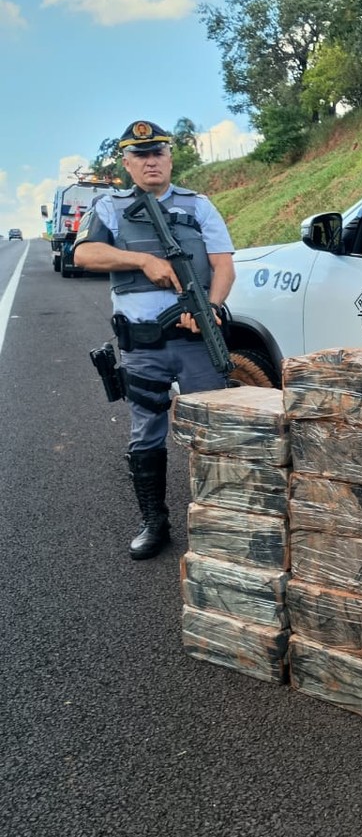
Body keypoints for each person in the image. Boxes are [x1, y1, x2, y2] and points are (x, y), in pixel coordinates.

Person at [74, 120, 235, 561]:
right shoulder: (109, 208)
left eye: (158, 153)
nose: (151, 161)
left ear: (170, 158)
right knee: (146, 432)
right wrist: (141, 260)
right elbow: (83, 253)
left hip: (195, 340)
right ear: (127, 163)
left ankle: (221, 518)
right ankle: (155, 522)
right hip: (142, 345)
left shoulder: (198, 206)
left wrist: (213, 308)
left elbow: (224, 267)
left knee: (213, 429)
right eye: (141, 155)